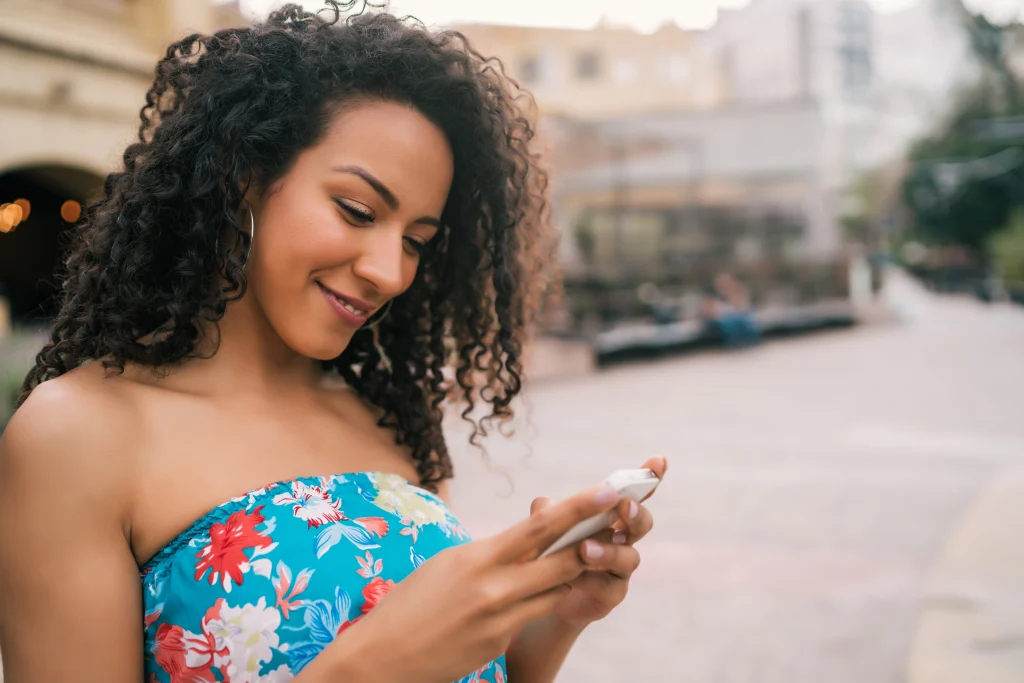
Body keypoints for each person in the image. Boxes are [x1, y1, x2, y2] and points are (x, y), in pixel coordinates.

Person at [0, 3, 666, 682]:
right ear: (245, 178)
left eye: (415, 241)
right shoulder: (78, 436)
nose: (389, 270)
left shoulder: (383, 418)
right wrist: (369, 667)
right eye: (357, 210)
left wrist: (552, 620)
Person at [699, 272, 760, 347]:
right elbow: (709, 312)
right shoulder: (712, 296)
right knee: (729, 323)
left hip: (736, 316)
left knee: (744, 320)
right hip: (721, 319)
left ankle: (749, 341)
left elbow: (744, 307)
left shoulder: (737, 292)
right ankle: (735, 342)